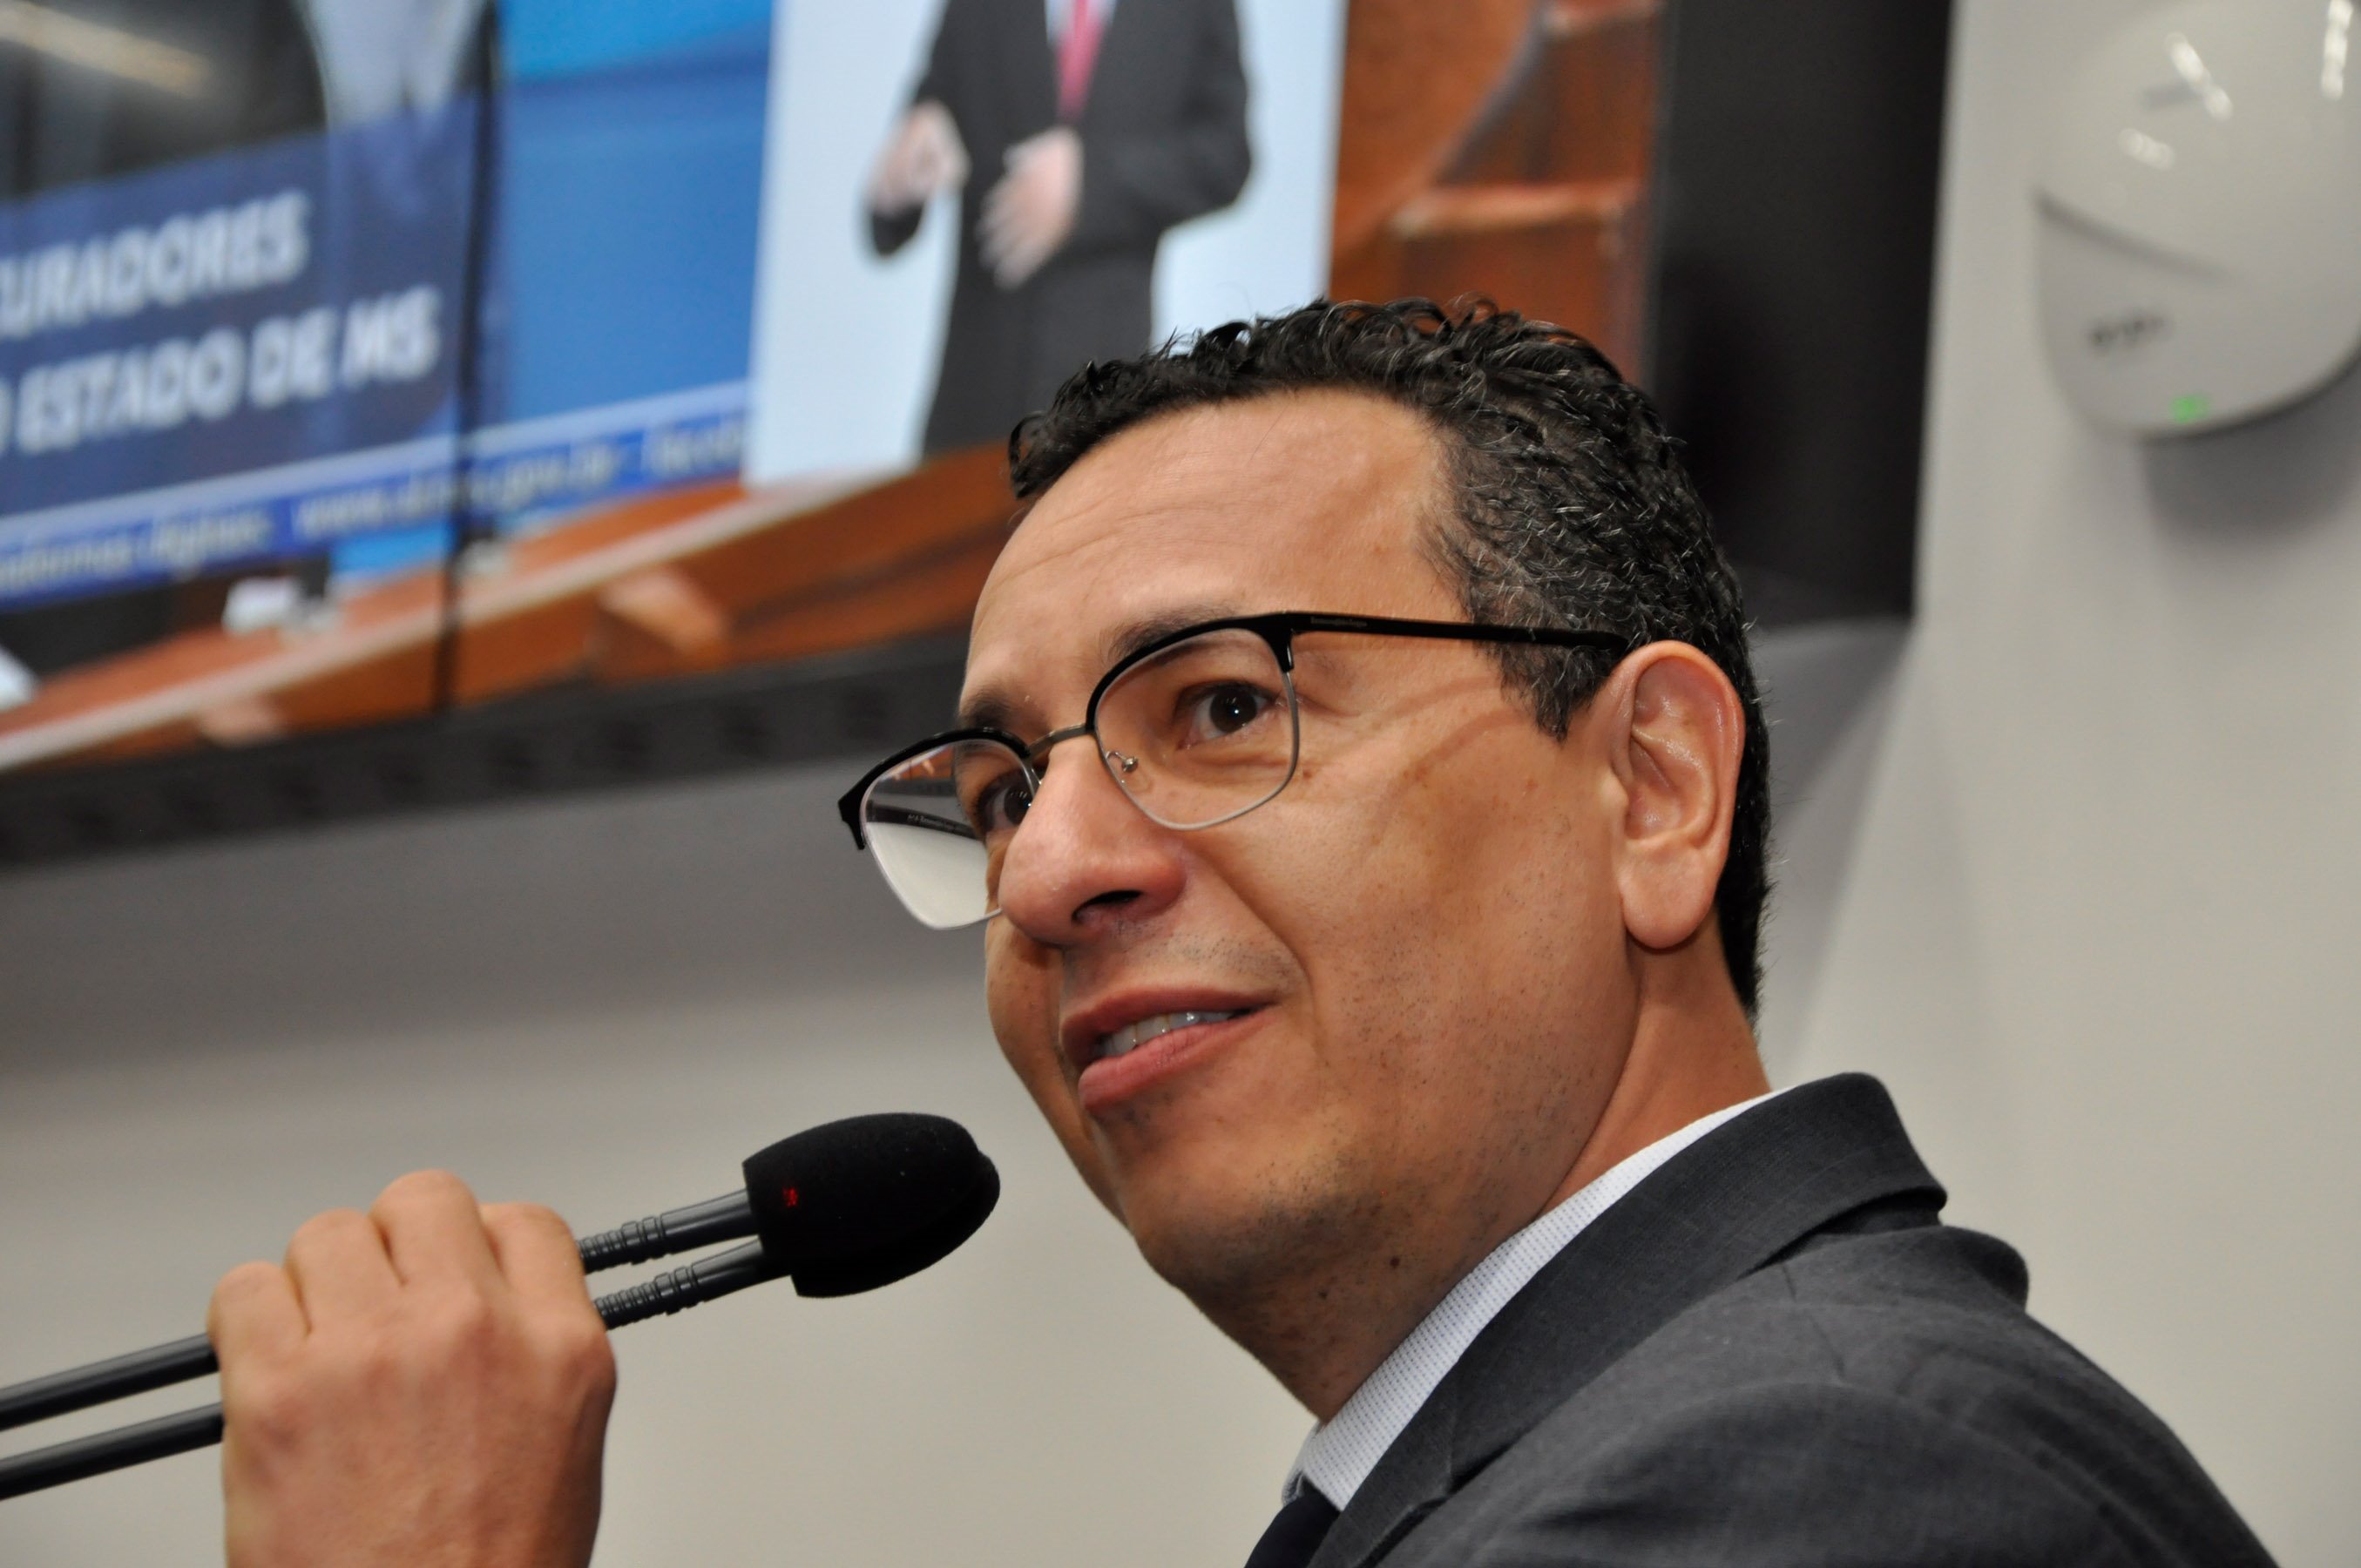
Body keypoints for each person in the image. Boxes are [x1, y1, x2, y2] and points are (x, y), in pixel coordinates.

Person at [206, 300, 2275, 1565]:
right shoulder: (1577, 1451)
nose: (1043, 876)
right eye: (998, 792)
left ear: (1649, 787)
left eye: (1217, 710)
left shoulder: (1816, 1483)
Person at [863, 0, 1250, 455]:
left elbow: (1226, 155)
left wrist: (1093, 182)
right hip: (973, 404)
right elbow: (926, 124)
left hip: (1106, 396)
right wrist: (905, 169)